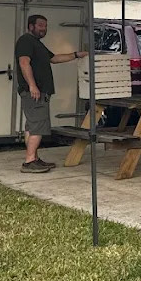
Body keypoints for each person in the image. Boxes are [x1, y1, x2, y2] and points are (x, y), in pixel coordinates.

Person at [15, 14, 85, 173]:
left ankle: (34, 158)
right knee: (38, 127)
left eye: (45, 26)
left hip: (39, 92)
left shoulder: (37, 44)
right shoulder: (26, 41)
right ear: (31, 26)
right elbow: (24, 63)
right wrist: (32, 86)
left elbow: (54, 59)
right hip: (34, 93)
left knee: (32, 127)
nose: (43, 29)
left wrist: (76, 55)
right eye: (40, 25)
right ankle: (29, 161)